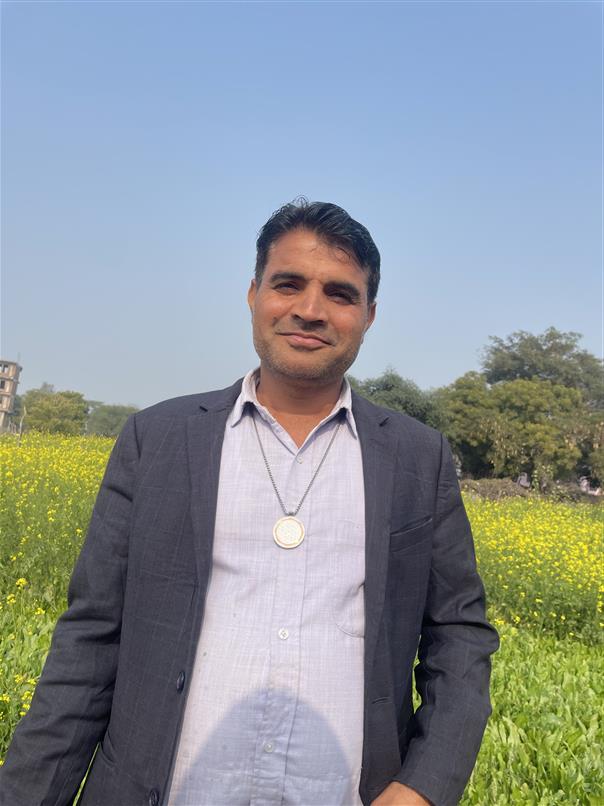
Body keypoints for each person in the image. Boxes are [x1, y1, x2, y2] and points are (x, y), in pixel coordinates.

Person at [0, 200, 499, 806]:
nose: (309, 310)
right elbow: (90, 639)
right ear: (253, 293)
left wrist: (423, 786)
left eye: (340, 294)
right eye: (287, 284)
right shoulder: (158, 439)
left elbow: (459, 633)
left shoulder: (418, 457)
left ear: (369, 315)